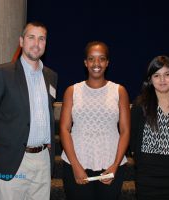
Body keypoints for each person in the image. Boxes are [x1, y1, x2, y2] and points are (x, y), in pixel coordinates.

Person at [0, 21, 58, 200]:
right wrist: (7, 140)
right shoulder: (2, 73)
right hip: (13, 158)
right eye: (31, 37)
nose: (36, 43)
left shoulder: (51, 76)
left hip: (42, 161)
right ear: (21, 41)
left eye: (42, 39)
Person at [59, 41, 131, 200]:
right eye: (91, 59)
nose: (96, 63)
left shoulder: (119, 91)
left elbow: (125, 131)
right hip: (76, 163)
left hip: (111, 165)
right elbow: (64, 129)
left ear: (107, 62)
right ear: (85, 63)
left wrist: (115, 165)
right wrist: (76, 166)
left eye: (101, 58)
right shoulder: (72, 91)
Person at [130, 55, 169, 200]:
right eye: (157, 75)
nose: (162, 80)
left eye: (167, 74)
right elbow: (133, 140)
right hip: (147, 175)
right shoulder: (140, 105)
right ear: (150, 80)